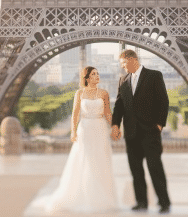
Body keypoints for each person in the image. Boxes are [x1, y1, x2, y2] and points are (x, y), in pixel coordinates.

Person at [41, 65, 118, 214]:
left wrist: (115, 127)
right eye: (94, 74)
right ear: (87, 78)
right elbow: (75, 114)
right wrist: (73, 132)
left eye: (98, 73)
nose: (97, 76)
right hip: (86, 129)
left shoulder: (104, 93)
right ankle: (84, 195)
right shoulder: (79, 93)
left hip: (100, 128)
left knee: (100, 160)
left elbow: (108, 113)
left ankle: (100, 196)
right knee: (84, 160)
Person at [111, 49, 171, 213]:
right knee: (136, 171)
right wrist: (115, 124)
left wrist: (159, 125)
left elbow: (163, 101)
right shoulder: (123, 80)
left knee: (155, 169)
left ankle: (164, 202)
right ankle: (141, 202)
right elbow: (119, 105)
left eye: (123, 64)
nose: (122, 67)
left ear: (132, 59)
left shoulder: (154, 75)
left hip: (150, 131)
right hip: (131, 133)